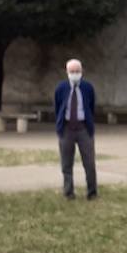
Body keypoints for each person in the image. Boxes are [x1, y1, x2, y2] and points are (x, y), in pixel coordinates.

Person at [54, 58, 98, 201]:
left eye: (77, 71)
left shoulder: (87, 87)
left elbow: (91, 106)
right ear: (67, 72)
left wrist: (89, 124)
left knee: (89, 163)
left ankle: (92, 192)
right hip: (66, 129)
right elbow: (58, 107)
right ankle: (68, 192)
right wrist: (60, 125)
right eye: (72, 71)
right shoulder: (61, 88)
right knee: (66, 163)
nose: (74, 74)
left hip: (83, 128)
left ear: (82, 71)